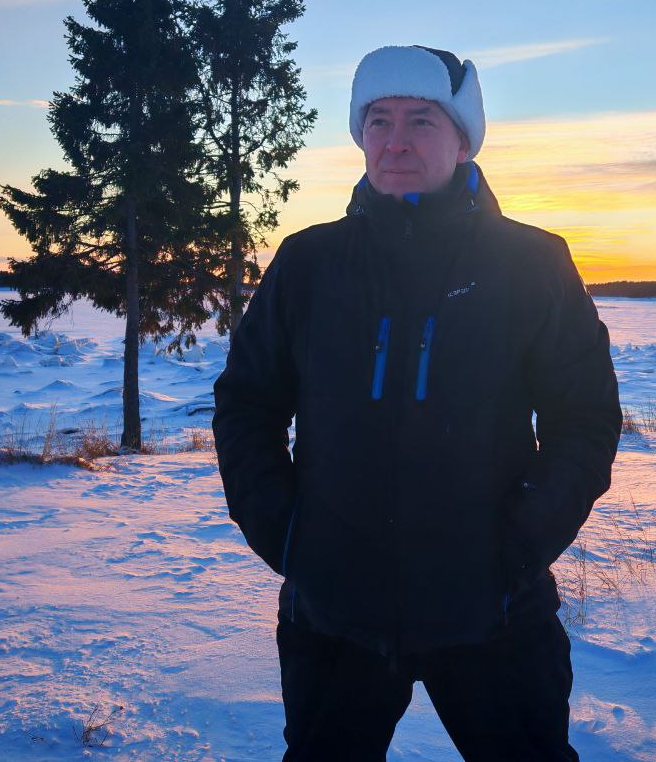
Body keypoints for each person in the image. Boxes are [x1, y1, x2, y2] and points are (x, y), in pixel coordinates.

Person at [213, 44, 622, 761]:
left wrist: (517, 549)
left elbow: (583, 419)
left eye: (421, 120)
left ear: (463, 140)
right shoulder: (310, 263)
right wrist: (290, 537)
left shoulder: (530, 264)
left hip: (491, 612)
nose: (396, 140)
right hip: (335, 614)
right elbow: (247, 403)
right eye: (379, 120)